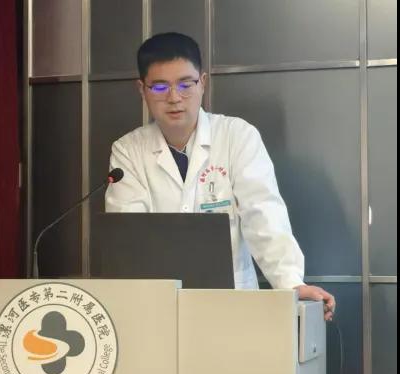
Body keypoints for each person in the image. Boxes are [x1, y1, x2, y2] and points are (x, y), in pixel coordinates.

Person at [105, 32, 336, 320]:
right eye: (160, 87)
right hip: (157, 308)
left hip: (231, 303)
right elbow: (130, 235)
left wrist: (290, 282)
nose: (174, 98)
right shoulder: (128, 151)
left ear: (203, 82)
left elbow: (263, 213)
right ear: (142, 89)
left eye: (185, 84)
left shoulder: (236, 136)